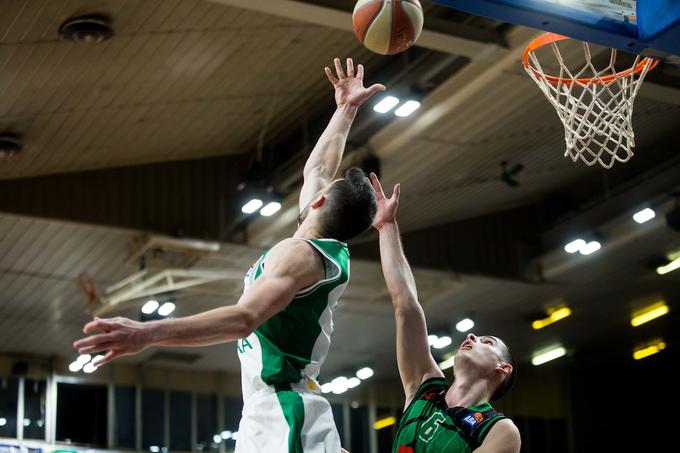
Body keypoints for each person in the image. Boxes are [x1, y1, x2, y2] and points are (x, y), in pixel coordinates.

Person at [74, 58, 385, 453]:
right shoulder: (324, 244)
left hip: (285, 410)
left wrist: (147, 333)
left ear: (320, 201)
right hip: (268, 408)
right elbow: (319, 167)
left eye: (325, 186)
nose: (319, 180)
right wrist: (346, 109)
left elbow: (242, 319)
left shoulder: (300, 256)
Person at [369, 173, 521, 453]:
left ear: (503, 368)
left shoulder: (500, 430)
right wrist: (386, 226)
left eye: (487, 342)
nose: (472, 336)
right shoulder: (424, 385)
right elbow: (406, 304)